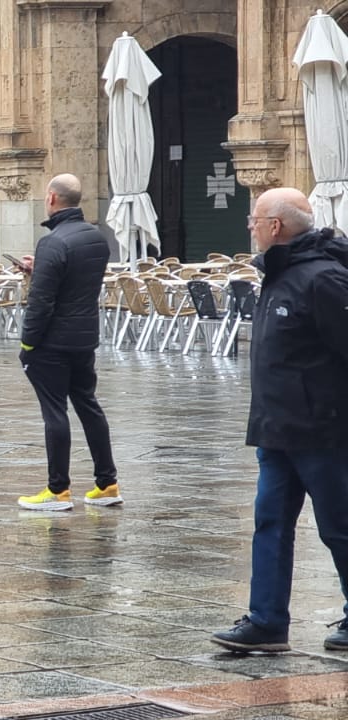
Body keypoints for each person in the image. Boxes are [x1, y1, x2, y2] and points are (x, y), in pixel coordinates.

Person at [211, 188, 348, 653]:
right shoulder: (278, 273)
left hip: (322, 429)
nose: (249, 226)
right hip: (275, 427)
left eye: (254, 220)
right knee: (269, 522)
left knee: (339, 526)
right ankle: (267, 621)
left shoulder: (323, 279)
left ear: (276, 227)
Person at [12, 175, 118, 511]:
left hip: (53, 342)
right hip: (85, 337)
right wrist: (38, 268)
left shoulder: (53, 242)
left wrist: (28, 343)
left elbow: (42, 302)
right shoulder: (96, 238)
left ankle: (58, 490)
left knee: (54, 411)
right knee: (88, 405)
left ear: (53, 198)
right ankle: (107, 483)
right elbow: (75, 281)